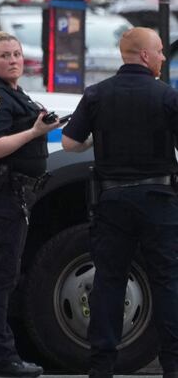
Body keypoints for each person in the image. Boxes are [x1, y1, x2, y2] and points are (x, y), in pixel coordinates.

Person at [61, 27, 178, 378]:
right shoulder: (167, 96)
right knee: (168, 280)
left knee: (109, 281)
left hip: (111, 200)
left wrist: (97, 138)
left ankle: (102, 366)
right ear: (144, 55)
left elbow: (69, 143)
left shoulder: (97, 94)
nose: (162, 57)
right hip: (159, 200)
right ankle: (172, 365)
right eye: (159, 51)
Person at [0, 32, 62, 378]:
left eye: (17, 54)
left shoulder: (15, 94)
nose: (13, 60)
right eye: (5, 55)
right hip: (0, 197)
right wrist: (35, 132)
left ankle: (2, 352)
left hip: (15, 196)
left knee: (4, 276)